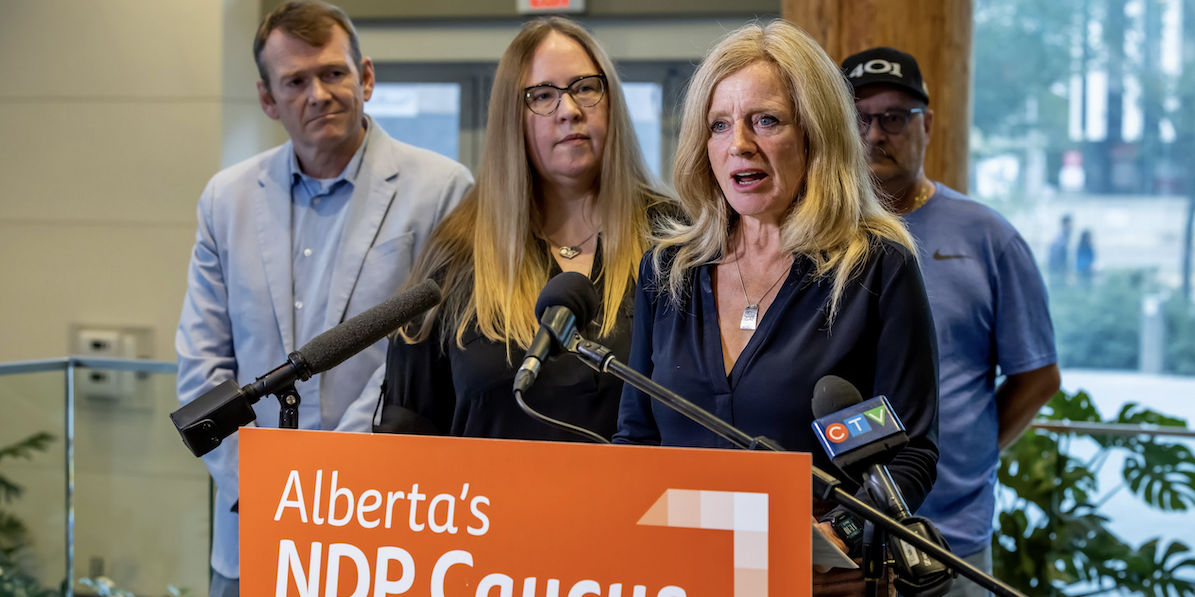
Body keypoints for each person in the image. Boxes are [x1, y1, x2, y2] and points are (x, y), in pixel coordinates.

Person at [614, 22, 939, 595]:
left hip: (817, 579)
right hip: (679, 573)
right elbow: (636, 437)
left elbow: (910, 451)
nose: (739, 143)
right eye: (719, 125)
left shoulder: (878, 268)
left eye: (765, 120)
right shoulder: (667, 272)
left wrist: (842, 530)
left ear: (816, 134)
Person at [175, 2, 473, 595]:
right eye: (295, 81)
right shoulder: (225, 199)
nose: (318, 93)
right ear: (267, 99)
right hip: (249, 528)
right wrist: (258, 486)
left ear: (364, 76)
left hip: (378, 525)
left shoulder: (444, 190)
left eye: (333, 73)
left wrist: (329, 487)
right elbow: (201, 363)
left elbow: (418, 358)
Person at [378, 17, 669, 441]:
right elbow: (409, 431)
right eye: (543, 95)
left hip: (647, 507)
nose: (569, 111)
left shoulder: (673, 241)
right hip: (485, 505)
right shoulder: (457, 255)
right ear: (511, 118)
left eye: (585, 88)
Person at [842, 46, 1060, 597]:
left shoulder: (988, 238)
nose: (874, 134)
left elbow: (1037, 375)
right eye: (858, 118)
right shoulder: (808, 237)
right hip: (836, 534)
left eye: (894, 117)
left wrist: (967, 455)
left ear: (927, 125)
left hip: (950, 537)